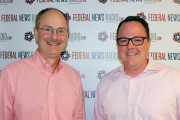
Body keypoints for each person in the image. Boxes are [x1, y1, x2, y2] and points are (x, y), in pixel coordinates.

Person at [0, 8, 86, 120]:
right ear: (36, 33)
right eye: (48, 29)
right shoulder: (11, 74)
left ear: (67, 36)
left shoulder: (74, 77)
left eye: (60, 31)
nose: (54, 36)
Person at [93, 16, 180, 120]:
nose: (130, 46)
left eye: (137, 40)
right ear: (117, 45)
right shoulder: (105, 83)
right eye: (124, 40)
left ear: (148, 43)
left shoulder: (175, 79)